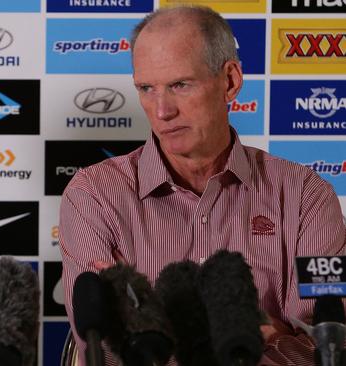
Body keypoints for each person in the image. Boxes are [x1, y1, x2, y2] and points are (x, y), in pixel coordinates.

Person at [59, 5, 345, 365]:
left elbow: (324, 346)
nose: (162, 110)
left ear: (230, 81)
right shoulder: (94, 195)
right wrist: (245, 340)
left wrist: (158, 334)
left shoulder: (306, 196)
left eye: (180, 85)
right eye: (146, 88)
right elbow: (101, 349)